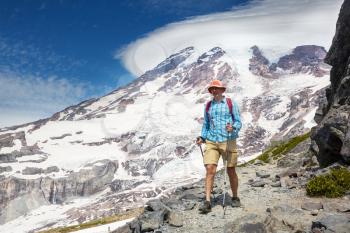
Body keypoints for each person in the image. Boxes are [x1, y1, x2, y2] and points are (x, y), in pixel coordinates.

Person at [196, 79, 242, 214]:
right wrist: (202, 137)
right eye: (211, 89)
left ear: (222, 90)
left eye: (216, 88)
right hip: (211, 140)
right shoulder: (208, 105)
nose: (213, 90)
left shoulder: (230, 103)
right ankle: (207, 202)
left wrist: (232, 127)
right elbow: (206, 124)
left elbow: (238, 122)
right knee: (210, 169)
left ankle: (235, 197)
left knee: (231, 170)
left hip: (228, 140)